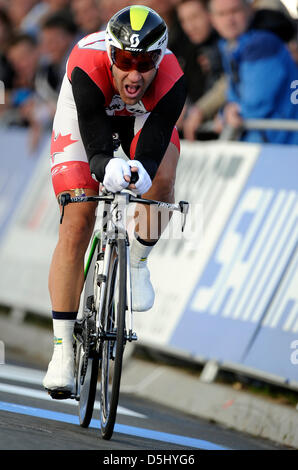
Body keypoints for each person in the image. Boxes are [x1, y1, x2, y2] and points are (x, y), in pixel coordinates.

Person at [43, 4, 186, 396]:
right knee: (77, 220)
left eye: (145, 62)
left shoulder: (173, 76)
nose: (134, 74)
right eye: (124, 60)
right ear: (111, 53)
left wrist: (142, 169)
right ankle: (62, 354)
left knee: (163, 181)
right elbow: (93, 135)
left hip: (143, 118)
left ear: (161, 57)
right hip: (86, 115)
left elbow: (156, 140)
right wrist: (105, 165)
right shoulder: (86, 61)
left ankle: (137, 261)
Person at [206, 0, 298, 144]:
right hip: (271, 144)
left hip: (284, 145)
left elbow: (254, 106)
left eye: (235, 11)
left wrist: (225, 114)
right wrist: (227, 110)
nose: (229, 20)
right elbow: (235, 98)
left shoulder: (261, 44)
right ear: (212, 19)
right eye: (222, 14)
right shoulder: (231, 46)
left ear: (250, 10)